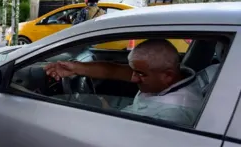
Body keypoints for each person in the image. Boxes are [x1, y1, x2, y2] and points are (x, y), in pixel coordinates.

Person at [44, 39, 203, 126]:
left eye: (140, 74)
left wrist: (106, 111)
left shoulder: (172, 114)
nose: (133, 78)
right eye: (133, 70)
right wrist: (76, 68)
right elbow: (112, 70)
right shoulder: (169, 76)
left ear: (168, 75)